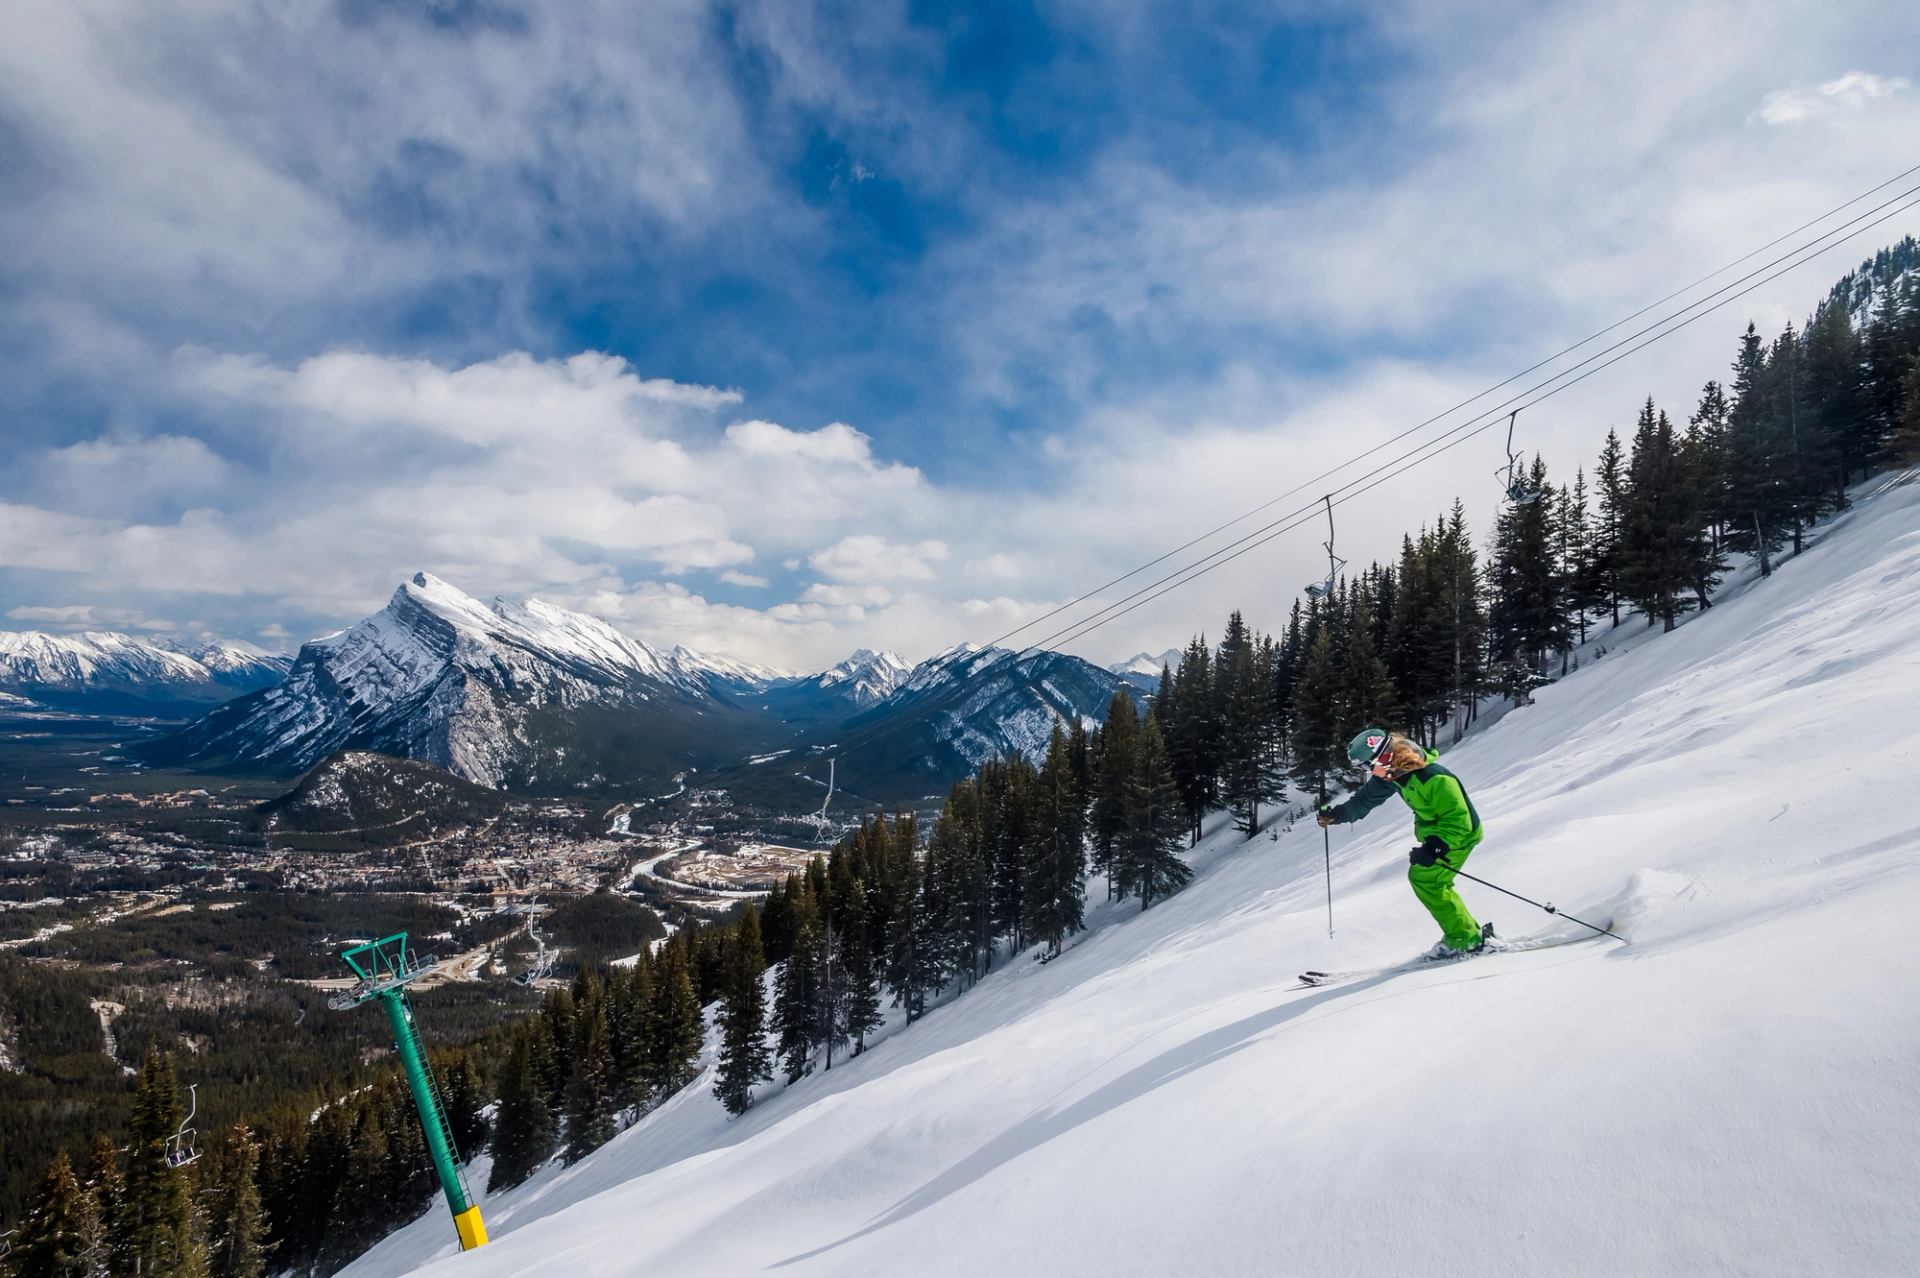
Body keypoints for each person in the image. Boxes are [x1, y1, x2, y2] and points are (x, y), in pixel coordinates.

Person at [1317, 727, 1491, 956]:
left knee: (1429, 881)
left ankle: (1465, 938)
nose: (1368, 773)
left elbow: (1458, 820)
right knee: (1426, 880)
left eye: (1367, 767)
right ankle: (1466, 934)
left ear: (1385, 757)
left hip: (1458, 836)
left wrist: (1434, 847)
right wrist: (1338, 814)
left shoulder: (1434, 778)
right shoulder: (1395, 774)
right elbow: (1366, 799)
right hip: (1441, 834)